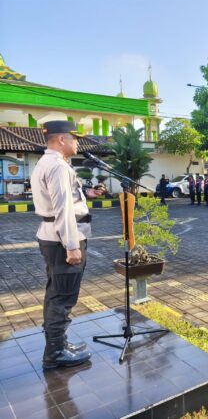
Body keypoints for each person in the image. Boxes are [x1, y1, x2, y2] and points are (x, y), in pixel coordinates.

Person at [31, 120, 105, 369]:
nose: (77, 143)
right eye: (74, 138)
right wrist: (72, 246)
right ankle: (55, 353)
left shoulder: (49, 162)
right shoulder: (58, 167)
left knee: (56, 294)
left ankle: (59, 344)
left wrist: (88, 194)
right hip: (63, 240)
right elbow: (62, 208)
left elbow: (64, 199)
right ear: (61, 139)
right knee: (63, 298)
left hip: (53, 237)